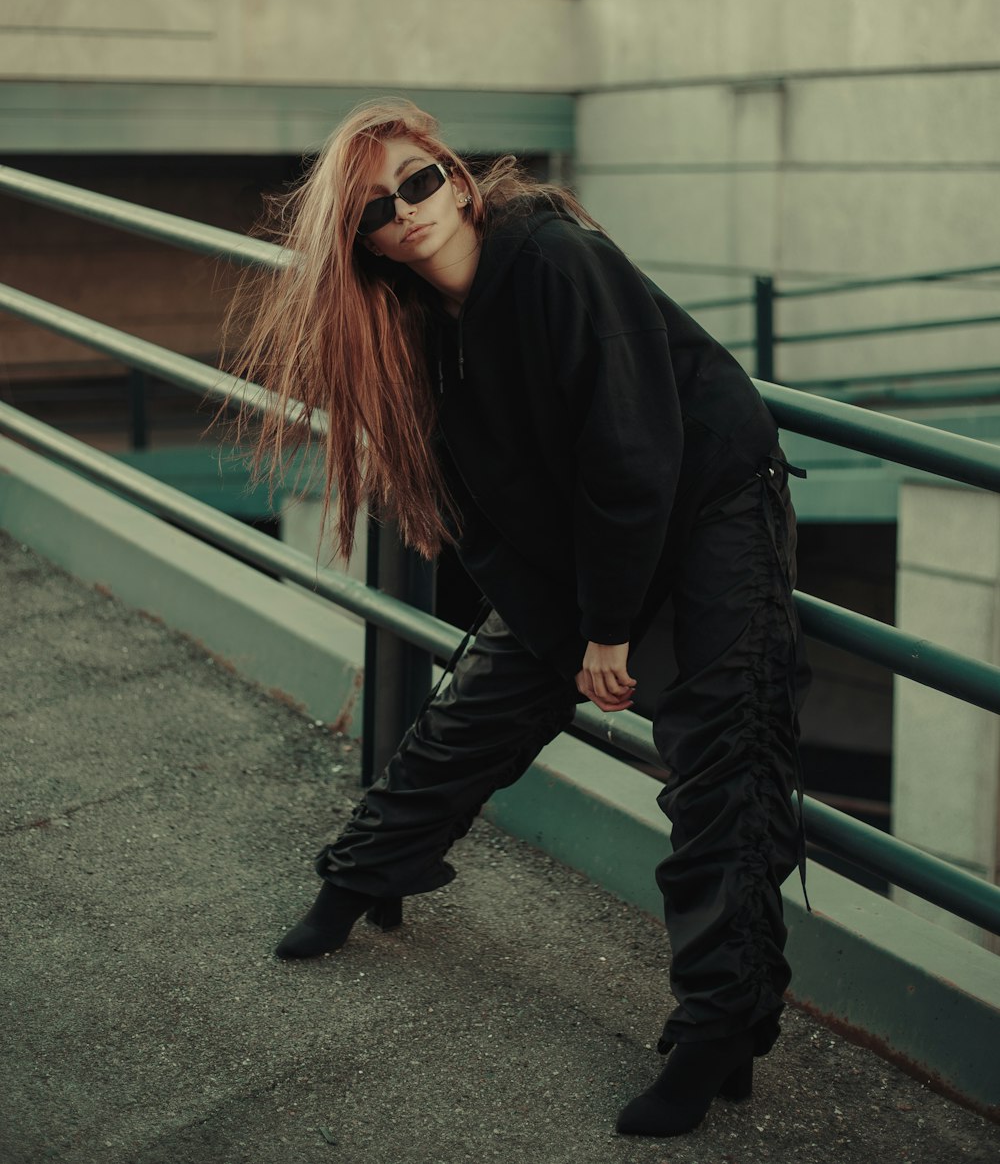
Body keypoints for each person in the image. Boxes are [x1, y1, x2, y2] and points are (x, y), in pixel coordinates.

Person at [228, 98, 810, 1139]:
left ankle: (718, 1028)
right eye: (373, 210)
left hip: (708, 493)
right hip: (591, 528)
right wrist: (573, 628)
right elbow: (475, 522)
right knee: (487, 692)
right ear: (357, 243)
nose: (405, 212)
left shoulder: (548, 259)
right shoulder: (411, 332)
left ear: (453, 177)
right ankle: (367, 870)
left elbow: (630, 454)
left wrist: (607, 628)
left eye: (417, 182)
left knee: (722, 759)